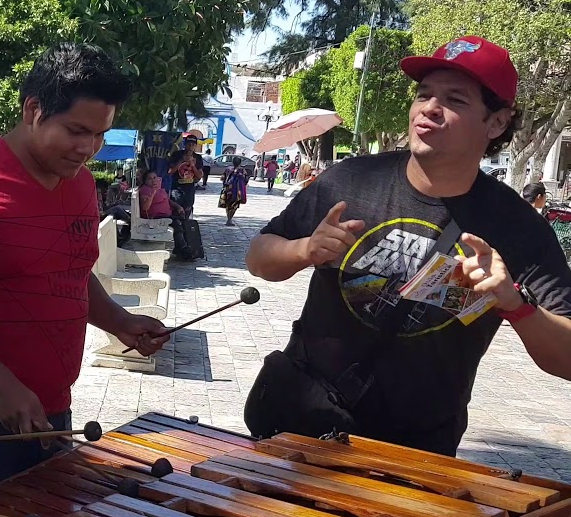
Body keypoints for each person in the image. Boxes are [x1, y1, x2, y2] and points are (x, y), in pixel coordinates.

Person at [243, 35, 571, 456]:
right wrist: (303, 249)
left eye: (455, 99)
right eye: (424, 94)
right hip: (298, 425)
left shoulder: (519, 228)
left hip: (415, 452)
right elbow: (258, 257)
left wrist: (514, 304)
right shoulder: (351, 180)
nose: (429, 108)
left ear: (497, 123)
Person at [0, 43, 171, 503]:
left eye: (99, 135)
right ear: (33, 109)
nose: (88, 149)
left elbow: (71, 272)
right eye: (77, 131)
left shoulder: (78, 184)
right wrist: (2, 387)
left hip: (53, 411)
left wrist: (121, 322)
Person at [220, 156, 249, 226]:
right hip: (237, 190)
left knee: (228, 204)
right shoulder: (242, 170)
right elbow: (246, 180)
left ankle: (228, 219)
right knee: (234, 205)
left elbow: (222, 178)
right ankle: (229, 219)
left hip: (228, 189)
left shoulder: (228, 169)